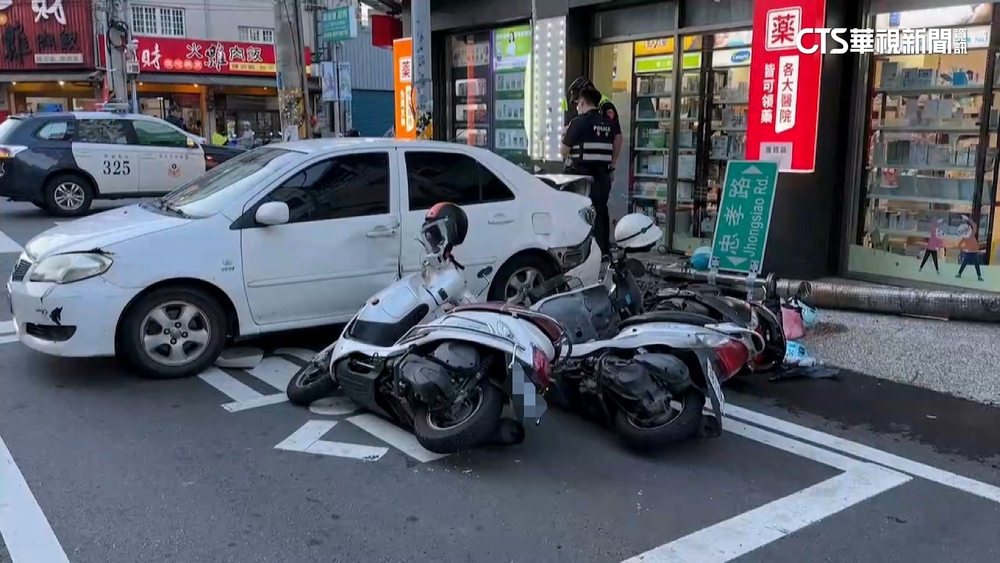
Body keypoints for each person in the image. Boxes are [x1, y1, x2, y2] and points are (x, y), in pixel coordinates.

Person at [561, 87, 614, 258]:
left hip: (583, 176)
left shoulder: (579, 122)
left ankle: (583, 252)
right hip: (603, 175)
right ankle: (603, 250)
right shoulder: (607, 123)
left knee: (581, 213)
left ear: (582, 102)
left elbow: (564, 150)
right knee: (601, 211)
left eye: (578, 104)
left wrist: (565, 133)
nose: (577, 107)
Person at [566, 76, 623, 180]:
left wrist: (613, 164)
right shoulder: (582, 110)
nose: (577, 104)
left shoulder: (605, 106)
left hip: (599, 167)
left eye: (578, 101)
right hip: (582, 166)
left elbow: (617, 136)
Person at [956, 216, 984, 282]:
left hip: (974, 252)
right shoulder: (965, 237)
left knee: (976, 264)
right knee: (965, 263)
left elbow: (974, 226)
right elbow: (959, 245)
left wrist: (968, 219)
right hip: (969, 252)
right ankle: (959, 273)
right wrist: (964, 249)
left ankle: (979, 276)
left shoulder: (971, 234)